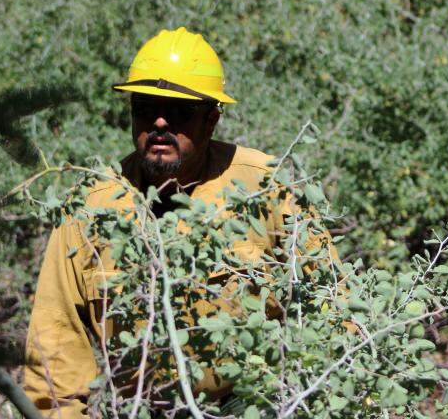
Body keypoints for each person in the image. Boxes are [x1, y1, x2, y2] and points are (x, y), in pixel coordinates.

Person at [24, 27, 339, 417]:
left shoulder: (266, 186)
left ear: (211, 120)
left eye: (179, 111)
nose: (159, 122)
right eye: (144, 106)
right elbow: (54, 351)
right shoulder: (90, 207)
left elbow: (334, 309)